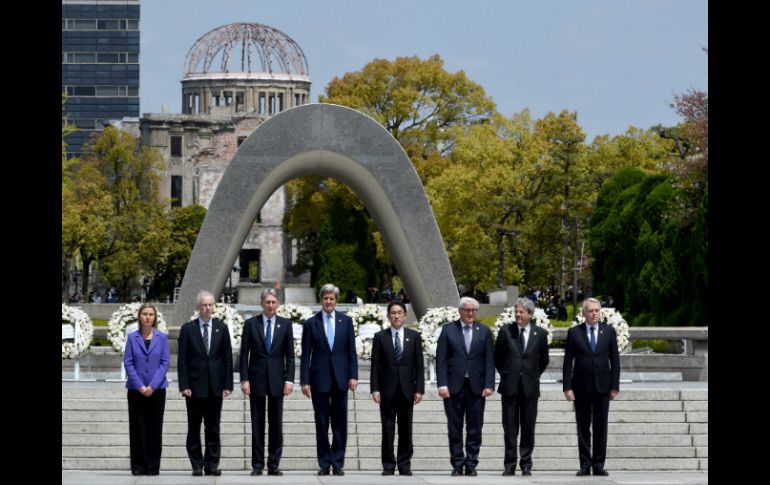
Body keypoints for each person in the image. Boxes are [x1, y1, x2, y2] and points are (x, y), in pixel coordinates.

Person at [300, 284, 358, 476]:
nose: (328, 302)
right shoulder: (311, 323)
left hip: (341, 379)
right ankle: (325, 462)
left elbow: (351, 352)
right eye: (325, 298)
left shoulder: (346, 321)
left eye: (332, 298)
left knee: (340, 423)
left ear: (336, 300)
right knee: (322, 423)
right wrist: (304, 381)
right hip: (319, 379)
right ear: (321, 299)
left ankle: (338, 461)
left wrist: (353, 375)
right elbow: (305, 355)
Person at [436, 297, 495, 476]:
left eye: (474, 311)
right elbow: (441, 360)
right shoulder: (448, 330)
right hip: (453, 387)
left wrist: (489, 384)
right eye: (467, 310)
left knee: (475, 426)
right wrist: (442, 384)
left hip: (476, 387)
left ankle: (471, 463)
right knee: (454, 427)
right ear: (460, 311)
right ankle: (457, 463)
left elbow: (489, 360)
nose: (471, 313)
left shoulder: (484, 331)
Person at [239, 288, 295, 476]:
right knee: (257, 424)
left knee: (276, 425)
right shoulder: (251, 324)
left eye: (273, 302)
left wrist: (289, 380)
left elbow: (290, 356)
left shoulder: (285, 324)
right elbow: (243, 354)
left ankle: (273, 464)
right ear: (262, 304)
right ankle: (257, 465)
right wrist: (244, 379)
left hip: (278, 382)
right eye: (267, 302)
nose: (270, 305)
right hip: (256, 381)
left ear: (277, 304)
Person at [178, 290, 234, 476]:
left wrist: (228, 385)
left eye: (210, 305)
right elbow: (182, 361)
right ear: (198, 307)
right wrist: (184, 385)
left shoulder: (221, 328)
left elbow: (227, 358)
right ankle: (196, 464)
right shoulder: (188, 329)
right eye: (204, 305)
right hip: (194, 388)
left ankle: (212, 464)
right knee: (194, 427)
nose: (207, 308)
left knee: (213, 428)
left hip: (215, 387)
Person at [563, 297, 620, 476]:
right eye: (591, 311)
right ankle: (585, 464)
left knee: (601, 426)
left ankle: (599, 465)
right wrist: (567, 387)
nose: (594, 314)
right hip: (581, 387)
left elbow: (615, 361)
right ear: (584, 313)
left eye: (597, 310)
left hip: (603, 387)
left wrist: (614, 386)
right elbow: (567, 362)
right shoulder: (574, 333)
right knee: (583, 426)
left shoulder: (609, 332)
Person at [494, 297, 550, 476]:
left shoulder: (540, 334)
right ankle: (509, 465)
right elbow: (498, 357)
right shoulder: (505, 332)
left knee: (528, 428)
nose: (518, 315)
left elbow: (543, 360)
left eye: (521, 312)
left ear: (530, 314)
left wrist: (531, 375)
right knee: (510, 428)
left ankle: (526, 464)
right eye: (516, 311)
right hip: (510, 388)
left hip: (530, 388)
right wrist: (508, 375)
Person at [370, 301, 425, 476]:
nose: (396, 316)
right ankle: (388, 464)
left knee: (405, 429)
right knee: (387, 429)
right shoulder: (380, 337)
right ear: (388, 316)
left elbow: (419, 365)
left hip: (407, 390)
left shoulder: (414, 336)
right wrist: (375, 389)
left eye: (399, 313)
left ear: (405, 315)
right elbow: (375, 366)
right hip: (386, 391)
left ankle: (404, 464)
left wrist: (419, 389)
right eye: (393, 313)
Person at [124, 303, 170, 476]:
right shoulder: (132, 337)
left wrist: (152, 386)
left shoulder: (162, 338)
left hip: (157, 390)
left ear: (155, 317)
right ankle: (138, 465)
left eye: (151, 314)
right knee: (137, 428)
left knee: (154, 428)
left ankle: (152, 466)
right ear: (140, 316)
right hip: (136, 390)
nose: (148, 317)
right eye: (145, 314)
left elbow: (165, 362)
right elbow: (128, 362)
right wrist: (141, 386)